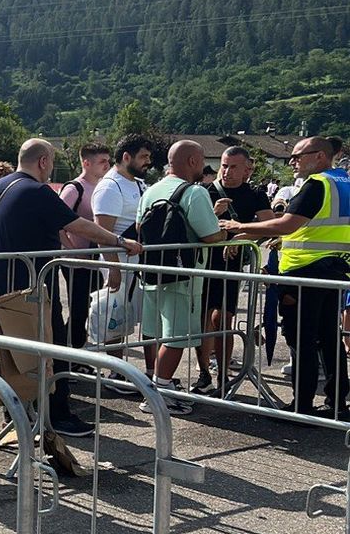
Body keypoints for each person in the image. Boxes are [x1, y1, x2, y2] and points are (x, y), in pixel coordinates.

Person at [0, 139, 143, 436]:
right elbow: (78, 224)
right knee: (49, 353)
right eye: (52, 162)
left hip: (1, 286)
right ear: (43, 161)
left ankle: (17, 414)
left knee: (14, 357)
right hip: (33, 290)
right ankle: (57, 415)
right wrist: (120, 241)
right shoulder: (37, 191)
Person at [220, 137, 350, 420]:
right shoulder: (345, 183)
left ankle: (302, 408)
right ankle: (337, 403)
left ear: (319, 157)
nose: (292, 161)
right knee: (330, 337)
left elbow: (288, 224)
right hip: (335, 269)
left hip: (305, 271)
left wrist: (239, 225)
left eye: (297, 156)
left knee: (302, 338)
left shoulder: (318, 184)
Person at [135, 140, 226, 415]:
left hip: (152, 272)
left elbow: (139, 227)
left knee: (158, 333)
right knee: (177, 337)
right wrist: (225, 231)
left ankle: (158, 385)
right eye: (200, 160)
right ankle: (159, 392)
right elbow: (210, 236)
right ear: (192, 162)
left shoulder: (151, 190)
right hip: (184, 275)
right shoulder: (194, 192)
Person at [192, 146, 274, 395]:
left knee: (223, 319)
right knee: (202, 320)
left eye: (233, 167)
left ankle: (223, 375)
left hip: (232, 264)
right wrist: (213, 212)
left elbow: (270, 226)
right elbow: (191, 225)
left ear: (247, 169)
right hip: (204, 262)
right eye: (224, 166)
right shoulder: (204, 191)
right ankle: (204, 372)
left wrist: (240, 237)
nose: (226, 171)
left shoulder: (256, 194)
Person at [91, 135, 157, 381]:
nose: (148, 162)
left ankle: (144, 371)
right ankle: (115, 372)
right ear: (126, 157)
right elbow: (103, 232)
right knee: (114, 319)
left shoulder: (138, 184)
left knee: (138, 318)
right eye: (143, 157)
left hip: (139, 264)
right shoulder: (110, 186)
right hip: (119, 263)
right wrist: (113, 268)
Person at [58, 142, 112, 348]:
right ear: (86, 163)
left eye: (108, 160)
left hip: (93, 260)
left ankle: (73, 351)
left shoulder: (102, 186)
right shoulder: (74, 188)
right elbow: (57, 222)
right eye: (102, 161)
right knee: (79, 308)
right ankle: (71, 354)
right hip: (75, 261)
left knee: (88, 308)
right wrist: (74, 250)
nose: (107, 165)